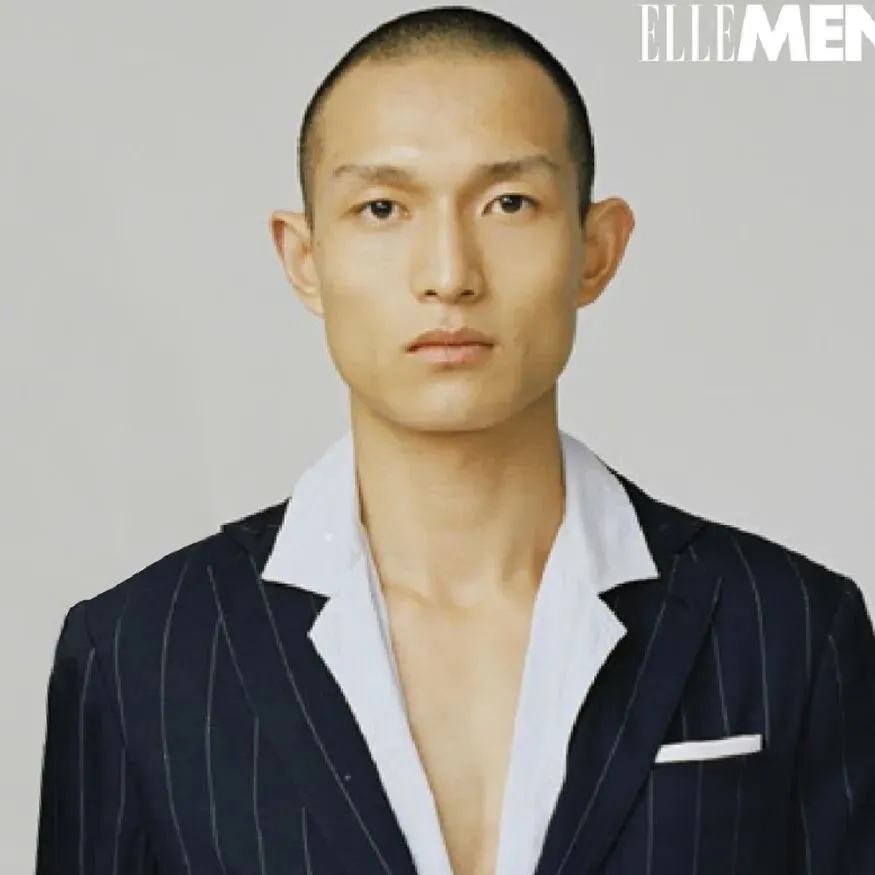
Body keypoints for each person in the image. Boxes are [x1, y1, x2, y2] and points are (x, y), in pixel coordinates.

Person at [35, 6, 875, 875]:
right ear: (304, 259)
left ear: (594, 249)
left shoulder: (787, 628)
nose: (448, 274)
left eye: (509, 203)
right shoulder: (137, 653)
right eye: (382, 207)